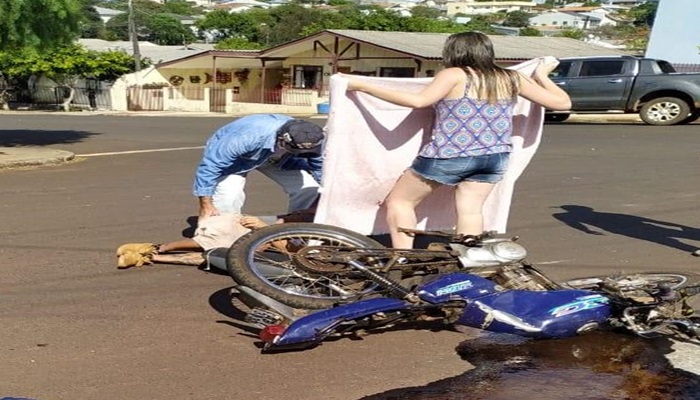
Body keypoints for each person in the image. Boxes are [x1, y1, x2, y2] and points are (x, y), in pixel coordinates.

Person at [345, 32, 572, 249]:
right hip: (494, 156)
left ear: (453, 52)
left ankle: (403, 256)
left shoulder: (453, 75)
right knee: (471, 210)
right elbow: (563, 104)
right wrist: (542, 75)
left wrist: (362, 86)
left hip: (450, 154)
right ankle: (469, 260)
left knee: (400, 202)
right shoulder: (511, 78)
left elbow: (418, 101)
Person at [116, 207, 316, 269]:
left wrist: (265, 229)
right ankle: (157, 247)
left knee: (222, 254)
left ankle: (152, 257)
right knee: (226, 225)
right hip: (276, 235)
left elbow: (299, 254)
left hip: (283, 255)